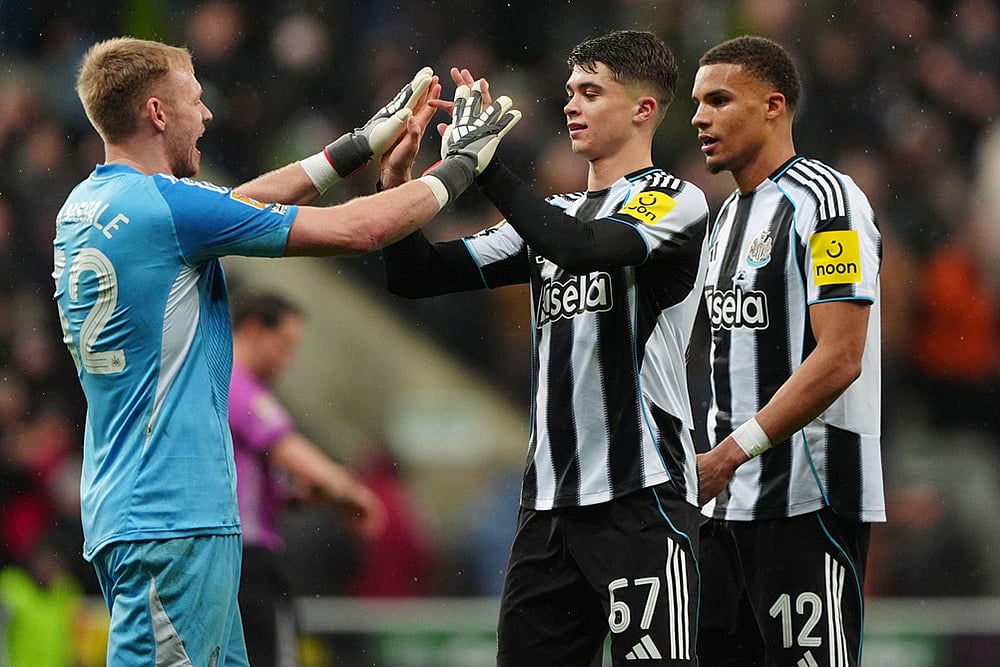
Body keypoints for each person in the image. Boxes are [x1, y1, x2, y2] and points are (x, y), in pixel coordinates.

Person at [52, 36, 520, 665]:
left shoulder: (89, 205)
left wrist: (357, 146)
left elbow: (230, 207)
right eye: (196, 98)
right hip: (172, 512)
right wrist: (461, 165)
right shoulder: (165, 209)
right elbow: (363, 230)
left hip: (146, 508)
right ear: (158, 113)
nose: (209, 114)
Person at [382, 30, 710, 665]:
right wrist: (396, 183)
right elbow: (415, 276)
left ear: (644, 109)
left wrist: (486, 166)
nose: (571, 106)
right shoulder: (550, 214)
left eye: (591, 92)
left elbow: (583, 247)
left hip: (640, 498)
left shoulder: (675, 200)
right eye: (569, 92)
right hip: (549, 511)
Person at [690, 35, 885, 667]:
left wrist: (728, 454)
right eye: (697, 103)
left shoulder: (829, 203)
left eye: (719, 100)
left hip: (809, 499)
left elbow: (840, 357)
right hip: (724, 508)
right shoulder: (724, 219)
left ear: (774, 106)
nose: (699, 117)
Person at [228, 292, 386, 666]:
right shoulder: (235, 383)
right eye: (285, 345)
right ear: (254, 330)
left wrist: (311, 495)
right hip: (246, 560)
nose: (290, 360)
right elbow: (286, 446)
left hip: (228, 558)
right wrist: (352, 492)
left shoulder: (217, 384)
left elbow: (251, 484)